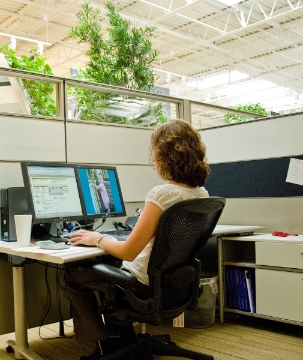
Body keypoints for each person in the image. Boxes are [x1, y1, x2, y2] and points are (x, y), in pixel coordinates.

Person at [64, 119, 210, 360]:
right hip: (172, 282)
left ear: (165, 156)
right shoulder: (200, 194)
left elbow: (128, 252)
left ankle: (103, 346)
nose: (153, 159)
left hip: (144, 284)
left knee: (74, 272)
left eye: (155, 153)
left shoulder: (163, 194)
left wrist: (98, 238)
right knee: (106, 266)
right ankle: (122, 339)